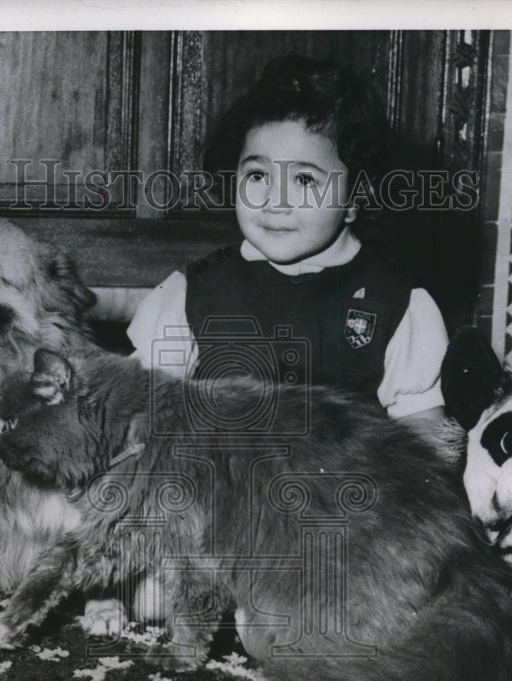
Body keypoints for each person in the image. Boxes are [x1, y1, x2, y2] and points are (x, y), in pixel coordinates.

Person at [127, 54, 448, 421]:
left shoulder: (396, 302)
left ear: (356, 199)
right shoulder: (192, 293)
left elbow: (423, 430)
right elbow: (141, 405)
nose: (274, 202)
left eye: (305, 180)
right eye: (258, 176)